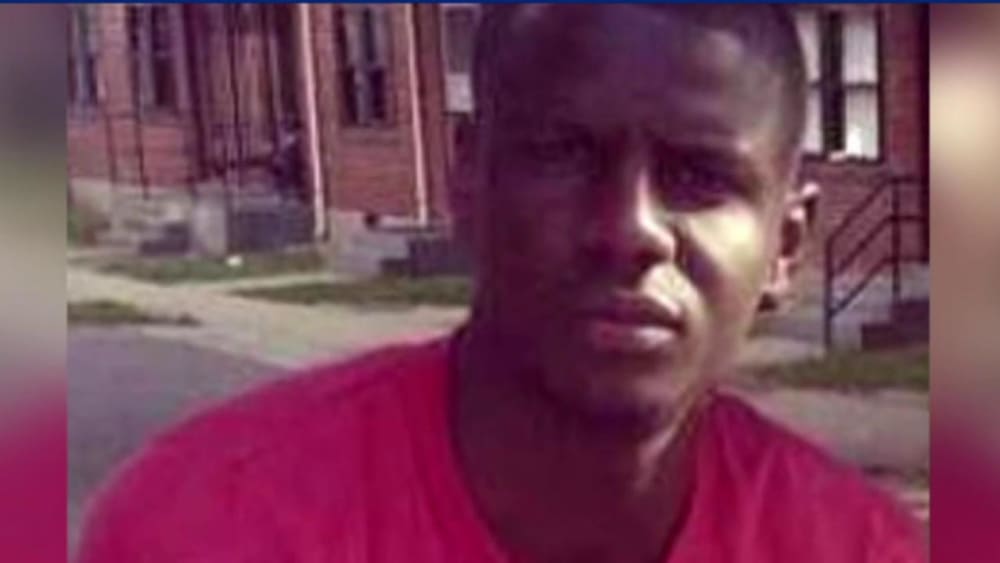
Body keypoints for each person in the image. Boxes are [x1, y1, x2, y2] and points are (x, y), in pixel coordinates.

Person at [77, 5, 925, 562]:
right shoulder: (211, 526)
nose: (630, 227)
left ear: (785, 244)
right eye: (564, 153)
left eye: (700, 176)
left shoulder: (857, 547)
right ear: (467, 183)